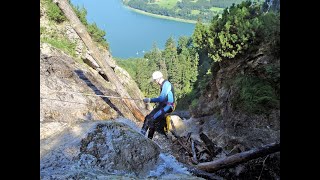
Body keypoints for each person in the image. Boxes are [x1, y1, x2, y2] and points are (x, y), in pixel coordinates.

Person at [141, 71, 175, 139]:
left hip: (167, 106)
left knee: (151, 119)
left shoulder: (166, 84)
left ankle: (147, 139)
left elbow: (162, 98)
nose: (155, 82)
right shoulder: (163, 85)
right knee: (148, 118)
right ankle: (142, 135)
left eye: (155, 80)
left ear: (158, 79)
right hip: (164, 105)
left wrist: (150, 100)